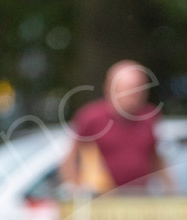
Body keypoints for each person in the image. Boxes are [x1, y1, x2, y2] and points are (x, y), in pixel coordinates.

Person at [60, 60, 171, 194]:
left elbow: (156, 157)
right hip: (103, 200)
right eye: (128, 91)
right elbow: (71, 159)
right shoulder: (91, 117)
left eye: (139, 90)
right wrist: (75, 191)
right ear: (110, 89)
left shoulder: (150, 116)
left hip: (140, 200)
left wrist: (170, 189)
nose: (134, 97)